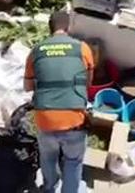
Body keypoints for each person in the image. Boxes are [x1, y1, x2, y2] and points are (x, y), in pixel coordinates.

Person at [23, 11, 94, 193]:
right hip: (74, 120)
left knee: (48, 158)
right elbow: (88, 83)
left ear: (50, 28)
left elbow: (28, 87)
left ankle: (49, 188)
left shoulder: (35, 51)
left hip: (45, 120)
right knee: (73, 161)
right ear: (68, 27)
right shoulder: (82, 48)